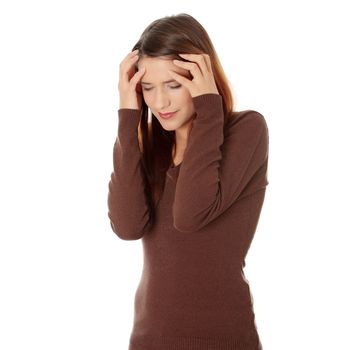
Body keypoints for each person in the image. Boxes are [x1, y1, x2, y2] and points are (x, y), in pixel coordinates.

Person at [107, 13, 269, 350]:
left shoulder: (246, 131)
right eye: (147, 88)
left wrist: (209, 110)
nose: (160, 102)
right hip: (148, 340)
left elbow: (190, 214)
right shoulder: (150, 146)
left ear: (202, 78)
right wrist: (128, 120)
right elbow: (126, 226)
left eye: (174, 85)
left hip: (221, 340)